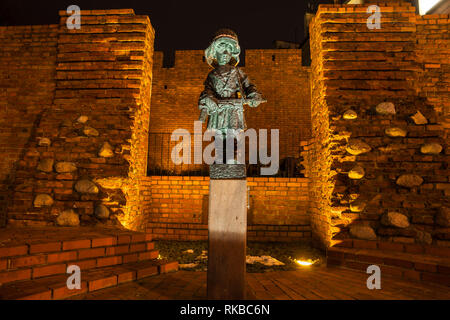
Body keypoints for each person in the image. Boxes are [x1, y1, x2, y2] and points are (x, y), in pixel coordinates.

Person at [198, 28, 266, 164]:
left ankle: (231, 161)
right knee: (219, 135)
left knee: (231, 135)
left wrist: (254, 96)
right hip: (218, 109)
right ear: (214, 52)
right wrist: (209, 99)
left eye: (228, 50)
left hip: (234, 110)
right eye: (221, 49)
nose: (225, 53)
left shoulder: (237, 72)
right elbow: (208, 90)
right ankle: (220, 161)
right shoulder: (212, 75)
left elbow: (249, 86)